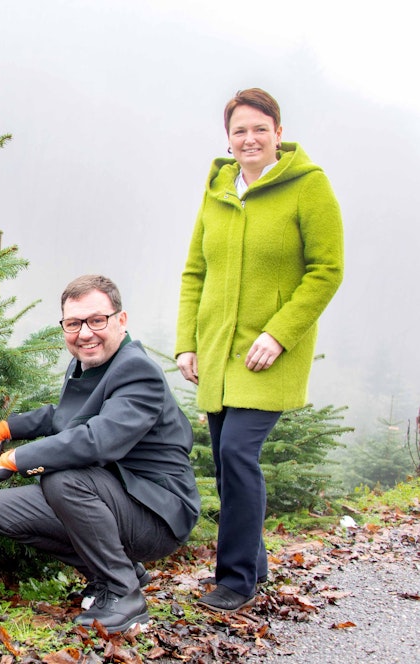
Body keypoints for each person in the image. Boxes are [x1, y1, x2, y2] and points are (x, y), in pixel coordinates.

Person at [175, 88, 343, 612]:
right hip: (219, 352)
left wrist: (279, 332)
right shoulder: (218, 189)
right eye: (239, 130)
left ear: (278, 132)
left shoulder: (308, 187)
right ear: (228, 138)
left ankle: (236, 579)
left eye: (259, 129)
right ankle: (257, 563)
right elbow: (195, 271)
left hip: (269, 351)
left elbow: (326, 271)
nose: (249, 139)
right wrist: (187, 343)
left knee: (236, 453)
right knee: (228, 465)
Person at [0, 274, 200, 632]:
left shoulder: (137, 371)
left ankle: (125, 597)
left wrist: (15, 459)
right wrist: (7, 428)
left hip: (158, 513)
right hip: (117, 496)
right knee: (1, 509)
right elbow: (65, 416)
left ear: (120, 320)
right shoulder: (88, 363)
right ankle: (118, 573)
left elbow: (97, 439)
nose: (85, 333)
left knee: (63, 476)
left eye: (97, 320)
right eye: (74, 323)